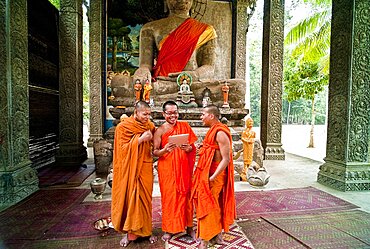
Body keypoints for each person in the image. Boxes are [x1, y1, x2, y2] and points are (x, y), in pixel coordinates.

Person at [134, 0, 217, 84]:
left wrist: (195, 75)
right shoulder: (149, 28)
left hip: (190, 83)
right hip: (162, 82)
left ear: (194, 2)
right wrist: (143, 71)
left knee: (226, 86)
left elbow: (210, 67)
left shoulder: (206, 30)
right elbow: (145, 64)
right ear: (165, 2)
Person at [111, 101, 157, 247]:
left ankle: (147, 231)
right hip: (128, 168)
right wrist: (140, 139)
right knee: (129, 198)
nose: (147, 117)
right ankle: (128, 233)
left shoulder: (149, 126)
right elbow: (122, 149)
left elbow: (154, 143)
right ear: (136, 112)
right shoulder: (123, 127)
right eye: (144, 114)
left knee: (145, 200)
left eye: (149, 114)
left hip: (145, 166)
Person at [191, 105, 236, 249]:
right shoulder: (212, 131)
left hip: (215, 174)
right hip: (206, 172)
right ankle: (216, 234)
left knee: (208, 204)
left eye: (203, 114)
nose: (201, 117)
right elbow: (211, 149)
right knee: (211, 204)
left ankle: (205, 239)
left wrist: (213, 177)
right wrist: (202, 149)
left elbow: (226, 158)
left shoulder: (220, 133)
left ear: (211, 116)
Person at [153, 100, 198, 241]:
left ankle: (189, 227)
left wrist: (189, 148)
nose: (173, 116)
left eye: (175, 113)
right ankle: (170, 229)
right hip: (167, 170)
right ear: (163, 113)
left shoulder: (184, 126)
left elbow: (192, 147)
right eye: (170, 113)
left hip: (184, 168)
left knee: (186, 197)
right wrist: (165, 150)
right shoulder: (159, 131)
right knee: (169, 199)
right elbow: (155, 152)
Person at [240, 117, 256, 181]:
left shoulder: (253, 132)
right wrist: (246, 140)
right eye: (249, 122)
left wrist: (250, 140)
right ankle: (245, 169)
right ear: (246, 123)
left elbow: (254, 138)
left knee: (250, 157)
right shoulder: (244, 132)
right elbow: (242, 138)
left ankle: (249, 169)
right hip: (246, 146)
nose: (250, 124)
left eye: (251, 122)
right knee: (245, 157)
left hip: (250, 146)